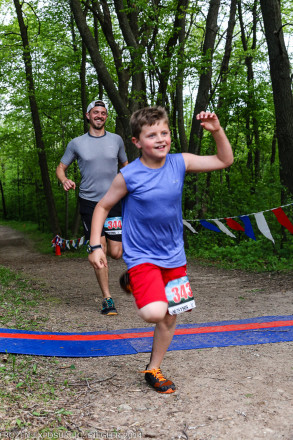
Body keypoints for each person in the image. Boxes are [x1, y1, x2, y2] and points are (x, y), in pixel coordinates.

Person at [88, 107, 233, 393]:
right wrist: (95, 245)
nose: (160, 139)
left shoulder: (180, 162)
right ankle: (137, 280)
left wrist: (216, 130)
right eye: (151, 134)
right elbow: (102, 206)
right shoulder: (128, 175)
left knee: (171, 314)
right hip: (142, 256)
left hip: (174, 256)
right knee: (155, 312)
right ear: (137, 142)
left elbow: (224, 160)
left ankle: (153, 368)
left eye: (164, 133)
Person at [56, 100, 128, 316]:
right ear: (87, 115)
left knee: (116, 253)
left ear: (106, 117)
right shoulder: (76, 143)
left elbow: (126, 166)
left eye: (103, 113)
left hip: (114, 202)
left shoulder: (116, 140)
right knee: (100, 250)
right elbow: (61, 168)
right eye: (95, 112)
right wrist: (64, 180)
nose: (99, 116)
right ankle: (107, 298)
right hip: (89, 203)